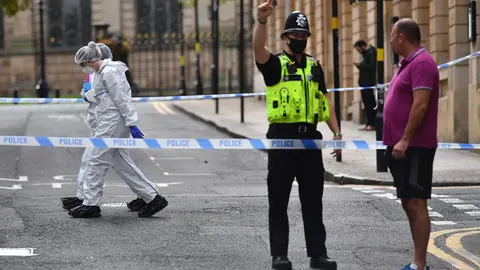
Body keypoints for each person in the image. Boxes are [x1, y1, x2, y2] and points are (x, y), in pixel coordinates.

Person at [253, 1, 340, 269]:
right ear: (285, 38)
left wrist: (337, 131)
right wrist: (261, 21)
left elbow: (325, 99)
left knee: (313, 202)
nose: (300, 39)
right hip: (282, 138)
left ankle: (318, 255)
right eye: (296, 35)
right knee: (278, 200)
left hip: (310, 140)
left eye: (304, 36)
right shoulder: (275, 65)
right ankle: (279, 255)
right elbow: (257, 49)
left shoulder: (315, 66)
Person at [69, 41, 168, 218]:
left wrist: (132, 123)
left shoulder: (109, 72)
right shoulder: (101, 73)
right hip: (109, 122)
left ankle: (91, 204)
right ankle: (151, 197)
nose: (84, 69)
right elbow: (98, 96)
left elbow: (121, 99)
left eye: (83, 65)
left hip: (113, 122)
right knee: (121, 162)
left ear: (90, 61)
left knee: (96, 160)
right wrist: (85, 94)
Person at [384, 18, 439, 270]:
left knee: (416, 202)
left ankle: (420, 264)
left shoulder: (423, 63)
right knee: (408, 202)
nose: (391, 40)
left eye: (393, 36)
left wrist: (405, 139)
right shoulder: (406, 64)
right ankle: (418, 262)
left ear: (402, 37)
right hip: (402, 148)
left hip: (415, 147)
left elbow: (421, 104)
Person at [353, 40, 377, 131]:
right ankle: (368, 123)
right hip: (364, 83)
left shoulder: (371, 53)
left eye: (358, 49)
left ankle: (372, 124)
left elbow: (371, 66)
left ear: (362, 46)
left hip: (368, 83)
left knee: (370, 104)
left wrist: (360, 64)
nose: (358, 51)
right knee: (366, 104)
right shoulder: (366, 54)